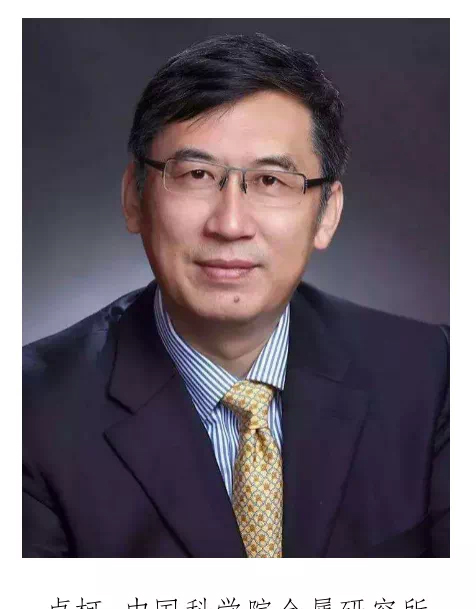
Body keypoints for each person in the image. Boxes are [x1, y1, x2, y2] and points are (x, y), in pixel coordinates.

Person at [22, 32, 449, 558]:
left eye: (271, 181)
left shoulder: (434, 377)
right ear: (134, 198)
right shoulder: (30, 413)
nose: (229, 224)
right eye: (197, 174)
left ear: (327, 213)